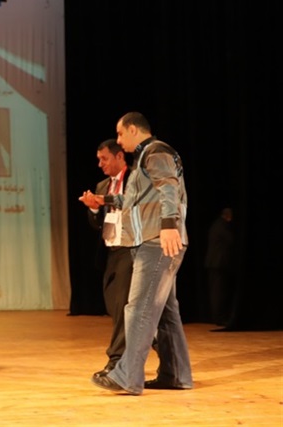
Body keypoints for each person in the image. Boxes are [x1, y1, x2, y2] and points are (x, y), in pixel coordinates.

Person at [87, 111, 192, 395]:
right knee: (166, 313)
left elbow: (169, 188)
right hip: (153, 240)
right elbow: (134, 200)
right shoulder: (144, 157)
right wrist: (103, 199)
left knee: (139, 309)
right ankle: (175, 374)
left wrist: (168, 226)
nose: (119, 140)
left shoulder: (156, 152)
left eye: (120, 134)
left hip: (157, 241)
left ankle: (127, 376)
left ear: (133, 129)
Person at [78, 139, 132, 378]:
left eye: (104, 159)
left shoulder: (134, 180)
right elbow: (97, 224)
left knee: (121, 306)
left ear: (119, 156)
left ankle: (116, 359)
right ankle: (160, 345)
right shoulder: (102, 185)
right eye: (99, 159)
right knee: (113, 305)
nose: (100, 164)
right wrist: (93, 208)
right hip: (111, 252)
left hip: (131, 249)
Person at [204, 207, 234, 326]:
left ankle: (217, 317)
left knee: (216, 291)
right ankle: (219, 318)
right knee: (218, 292)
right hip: (218, 263)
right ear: (228, 216)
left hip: (214, 263)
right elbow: (230, 240)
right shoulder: (222, 226)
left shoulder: (216, 225)